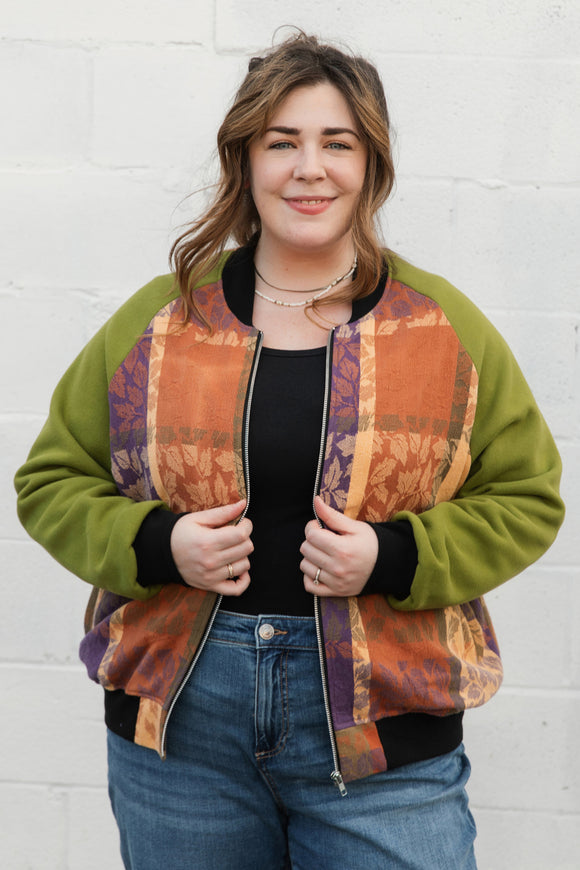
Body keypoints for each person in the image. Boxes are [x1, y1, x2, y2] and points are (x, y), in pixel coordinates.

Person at [15, 31, 564, 870]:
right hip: (183, 732)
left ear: (369, 164)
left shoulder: (443, 328)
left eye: (336, 143)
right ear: (247, 160)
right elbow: (51, 480)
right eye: (283, 143)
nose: (309, 168)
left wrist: (395, 553)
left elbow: (528, 497)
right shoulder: (161, 323)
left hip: (384, 732)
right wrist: (161, 544)